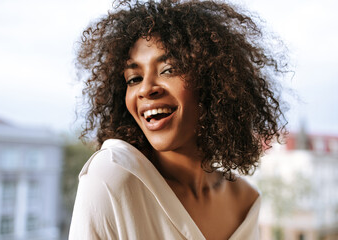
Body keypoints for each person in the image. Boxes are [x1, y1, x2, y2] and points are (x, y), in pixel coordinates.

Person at [69, 0, 287, 239]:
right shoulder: (112, 177)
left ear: (213, 80)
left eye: (169, 69)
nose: (145, 89)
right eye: (134, 78)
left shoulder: (245, 200)